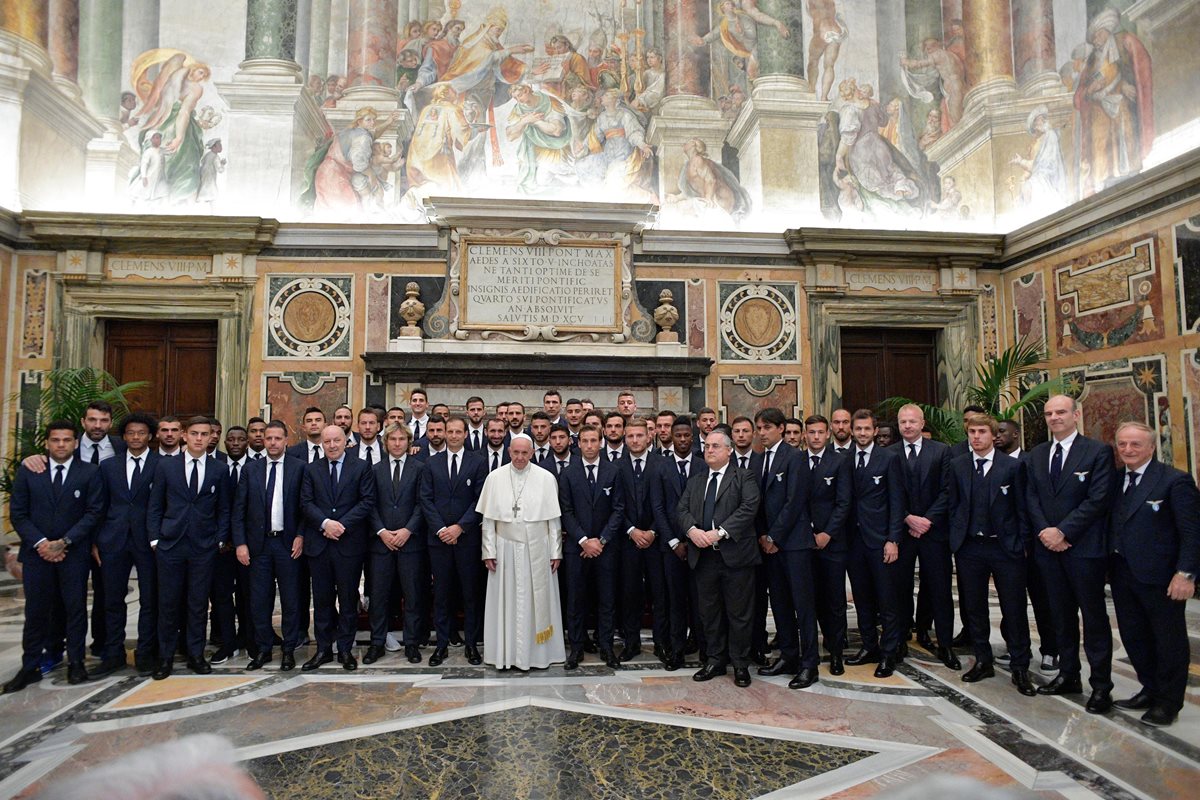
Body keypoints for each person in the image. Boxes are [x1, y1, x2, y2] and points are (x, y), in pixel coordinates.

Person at [1027, 395, 1115, 713]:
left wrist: (1063, 532)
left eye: (1061, 412)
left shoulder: (1097, 452)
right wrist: (1046, 533)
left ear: (1076, 415)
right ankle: (1068, 675)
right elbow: (1031, 498)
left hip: (1084, 550)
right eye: (1049, 413)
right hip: (1048, 550)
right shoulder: (1036, 454)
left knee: (1093, 619)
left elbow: (1098, 499)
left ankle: (1102, 686)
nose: (1054, 418)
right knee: (1060, 616)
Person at [1107, 422, 1199, 727]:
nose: (1128, 450)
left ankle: (1168, 703)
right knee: (1134, 637)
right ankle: (1150, 688)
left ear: (1151, 447)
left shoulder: (1175, 481)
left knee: (1168, 640)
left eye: (1135, 444)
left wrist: (1186, 573)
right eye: (1122, 444)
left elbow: (1192, 532)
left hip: (1161, 577)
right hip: (1122, 574)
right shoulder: (1115, 479)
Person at [4, 421, 105, 693]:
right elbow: (19, 514)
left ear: (75, 443)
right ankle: (30, 667)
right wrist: (41, 543)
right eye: (56, 440)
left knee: (74, 610)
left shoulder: (90, 472)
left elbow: (93, 513)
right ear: (47, 443)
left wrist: (64, 542)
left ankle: (75, 663)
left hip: (73, 554)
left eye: (67, 440)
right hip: (37, 555)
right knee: (36, 611)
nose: (61, 444)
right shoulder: (29, 470)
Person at [949, 414, 1036, 697]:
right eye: (972, 432)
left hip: (1005, 547)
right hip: (970, 547)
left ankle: (1020, 666)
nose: (976, 437)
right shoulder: (958, 465)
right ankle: (983, 659)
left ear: (993, 435)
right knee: (974, 607)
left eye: (982, 432)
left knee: (1014, 607)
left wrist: (1022, 543)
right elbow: (953, 503)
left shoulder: (1013, 466)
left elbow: (1024, 507)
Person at [147, 416, 232, 679]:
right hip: (170, 544)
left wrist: (218, 539)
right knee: (168, 603)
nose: (199, 438)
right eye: (194, 433)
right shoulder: (166, 466)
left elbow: (224, 508)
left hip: (203, 546)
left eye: (204, 434)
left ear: (210, 438)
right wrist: (155, 539)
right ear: (185, 435)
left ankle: (196, 654)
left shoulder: (219, 468)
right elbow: (155, 505)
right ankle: (165, 657)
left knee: (198, 604)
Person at [677, 429, 761, 688]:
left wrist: (719, 533)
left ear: (728, 450)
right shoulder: (696, 480)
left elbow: (749, 508)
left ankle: (740, 664)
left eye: (715, 446)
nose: (709, 450)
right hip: (704, 558)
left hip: (736, 557)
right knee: (709, 612)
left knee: (739, 614)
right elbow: (681, 509)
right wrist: (693, 531)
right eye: (707, 446)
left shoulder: (744, 476)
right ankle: (715, 660)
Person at [478, 434, 566, 670]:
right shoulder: (494, 478)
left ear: (532, 453)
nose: (519, 457)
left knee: (537, 602)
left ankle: (539, 656)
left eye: (524, 453)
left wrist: (556, 552)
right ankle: (504, 654)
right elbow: (488, 520)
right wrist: (488, 550)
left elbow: (554, 520)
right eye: (515, 453)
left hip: (538, 548)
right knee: (505, 604)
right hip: (505, 550)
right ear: (509, 452)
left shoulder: (546, 478)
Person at [300, 425, 376, 672]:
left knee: (347, 600)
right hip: (320, 545)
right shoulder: (311, 470)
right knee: (321, 601)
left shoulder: (361, 467)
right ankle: (323, 649)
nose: (332, 445)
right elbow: (306, 502)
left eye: (336, 440)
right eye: (327, 441)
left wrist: (341, 525)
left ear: (346, 442)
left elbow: (367, 501)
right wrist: (325, 524)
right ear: (321, 444)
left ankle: (345, 649)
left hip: (349, 543)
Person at [752, 409, 818, 688]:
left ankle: (809, 664)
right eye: (759, 428)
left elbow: (794, 502)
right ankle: (788, 655)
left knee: (803, 606)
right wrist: (763, 536)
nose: (761, 432)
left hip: (793, 545)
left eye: (766, 427)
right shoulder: (759, 460)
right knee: (779, 604)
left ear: (781, 428)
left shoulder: (795, 458)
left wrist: (773, 537)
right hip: (769, 546)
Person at [233, 420, 305, 673]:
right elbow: (238, 510)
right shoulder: (251, 470)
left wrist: (301, 535)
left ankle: (288, 650)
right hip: (258, 546)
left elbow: (306, 506)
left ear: (286, 440)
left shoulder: (299, 468)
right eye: (269, 438)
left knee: (291, 600)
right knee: (259, 600)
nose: (273, 442)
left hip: (288, 545)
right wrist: (240, 543)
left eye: (278, 438)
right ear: (263, 441)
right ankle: (263, 649)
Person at [92, 413, 160, 677]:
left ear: (150, 436)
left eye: (141, 433)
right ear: (124, 436)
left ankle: (145, 653)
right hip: (113, 540)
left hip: (148, 541)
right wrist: (96, 540)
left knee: (150, 600)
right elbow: (98, 506)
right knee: (111, 599)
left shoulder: (161, 465)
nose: (135, 437)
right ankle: (113, 653)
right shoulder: (108, 466)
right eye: (131, 433)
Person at [894, 404, 959, 670]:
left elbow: (947, 491)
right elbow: (889, 494)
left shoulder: (942, 451)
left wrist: (926, 520)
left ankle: (945, 643)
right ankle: (898, 639)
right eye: (902, 422)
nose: (907, 426)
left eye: (912, 421)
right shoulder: (888, 454)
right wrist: (907, 517)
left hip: (934, 533)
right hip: (902, 531)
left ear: (922, 423)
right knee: (899, 589)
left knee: (940, 589)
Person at [419, 416, 487, 666]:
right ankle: (442, 645)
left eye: (460, 431)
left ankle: (471, 644)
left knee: (470, 593)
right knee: (442, 594)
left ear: (466, 434)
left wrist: (459, 528)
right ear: (445, 434)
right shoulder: (430, 463)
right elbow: (425, 499)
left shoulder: (478, 463)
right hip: (438, 541)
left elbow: (480, 500)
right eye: (451, 431)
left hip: (467, 540)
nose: (455, 435)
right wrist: (441, 530)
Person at [844, 409, 906, 678]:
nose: (862, 433)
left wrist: (893, 539)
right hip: (852, 541)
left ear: (874, 430)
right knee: (862, 598)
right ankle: (869, 646)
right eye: (858, 429)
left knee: (886, 599)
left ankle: (889, 652)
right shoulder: (843, 458)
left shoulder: (889, 458)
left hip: (880, 540)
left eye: (867, 429)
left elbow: (896, 502)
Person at [559, 424, 626, 669]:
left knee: (606, 599)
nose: (588, 445)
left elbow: (619, 510)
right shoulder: (568, 473)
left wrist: (601, 540)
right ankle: (576, 648)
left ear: (601, 442)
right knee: (576, 599)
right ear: (578, 444)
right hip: (577, 548)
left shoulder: (613, 471)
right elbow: (565, 511)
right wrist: (583, 540)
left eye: (593, 441)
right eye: (584, 441)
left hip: (606, 547)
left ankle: (607, 647)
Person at [365, 423, 427, 665]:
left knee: (412, 595)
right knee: (379, 595)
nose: (398, 443)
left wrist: (407, 530)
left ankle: (411, 643)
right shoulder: (374, 469)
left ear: (409, 441)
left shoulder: (420, 469)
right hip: (381, 544)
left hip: (410, 543)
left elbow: (423, 504)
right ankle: (377, 642)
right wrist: (381, 531)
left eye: (402, 439)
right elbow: (368, 503)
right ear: (386, 442)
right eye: (393, 439)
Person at [803, 414, 852, 675]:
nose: (816, 437)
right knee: (810, 600)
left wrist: (827, 534)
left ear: (828, 433)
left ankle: (835, 653)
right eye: (811, 432)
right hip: (804, 543)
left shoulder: (840, 461)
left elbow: (844, 503)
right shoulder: (798, 461)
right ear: (805, 435)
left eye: (820, 432)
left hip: (833, 543)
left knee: (834, 601)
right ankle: (810, 651)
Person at [615, 418, 666, 663]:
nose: (635, 440)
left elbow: (668, 503)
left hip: (657, 541)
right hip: (629, 541)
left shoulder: (662, 465)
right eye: (630, 436)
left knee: (660, 593)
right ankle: (631, 643)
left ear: (649, 437)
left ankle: (662, 643)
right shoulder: (615, 467)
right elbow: (614, 507)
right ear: (625, 439)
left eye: (639, 436)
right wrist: (632, 530)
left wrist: (654, 531)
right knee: (630, 594)